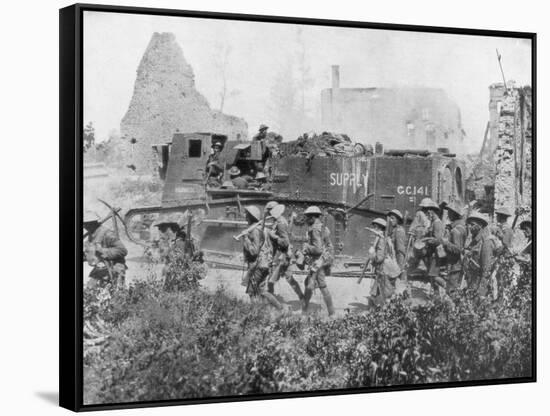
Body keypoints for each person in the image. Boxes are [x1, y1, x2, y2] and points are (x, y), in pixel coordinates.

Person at [240, 205, 283, 310]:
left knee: (252, 291)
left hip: (257, 266)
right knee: (262, 291)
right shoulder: (264, 230)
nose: (245, 216)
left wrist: (245, 238)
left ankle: (256, 315)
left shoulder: (254, 231)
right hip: (266, 265)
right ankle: (280, 308)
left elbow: (254, 252)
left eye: (247, 214)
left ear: (251, 217)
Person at [265, 203, 304, 302]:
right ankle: (303, 298)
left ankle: (271, 302)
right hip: (284, 255)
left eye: (269, 210)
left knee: (271, 281)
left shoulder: (280, 223)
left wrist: (274, 236)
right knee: (289, 278)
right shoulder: (280, 220)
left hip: (281, 256)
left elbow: (285, 242)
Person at [301, 205, 335, 316]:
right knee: (310, 284)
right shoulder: (322, 227)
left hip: (318, 261)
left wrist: (306, 247)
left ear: (312, 217)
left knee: (321, 286)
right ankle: (304, 311)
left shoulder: (315, 229)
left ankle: (331, 313)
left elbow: (318, 249)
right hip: (322, 260)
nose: (306, 219)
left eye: (307, 217)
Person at [83, 211, 128, 290]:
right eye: (84, 224)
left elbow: (122, 250)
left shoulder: (107, 234)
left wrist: (102, 250)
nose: (85, 226)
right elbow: (92, 255)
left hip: (115, 265)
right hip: (101, 266)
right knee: (90, 289)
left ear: (94, 223)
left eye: (87, 224)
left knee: (117, 292)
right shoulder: (92, 235)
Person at [419, 198, 446, 296]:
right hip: (433, 253)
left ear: (431, 211)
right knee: (432, 276)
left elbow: (437, 240)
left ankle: (449, 288)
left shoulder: (437, 223)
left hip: (437, 254)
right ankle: (436, 296)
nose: (426, 214)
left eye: (427, 212)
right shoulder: (433, 223)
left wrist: (426, 240)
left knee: (433, 276)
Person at [464, 211, 495, 296]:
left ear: (480, 225)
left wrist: (481, 290)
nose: (470, 227)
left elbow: (486, 269)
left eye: (472, 224)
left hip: (479, 283)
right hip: (471, 280)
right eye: (469, 224)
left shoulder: (485, 242)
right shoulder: (474, 241)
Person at [367, 218, 395, 304]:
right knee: (377, 288)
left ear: (380, 228)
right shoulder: (384, 238)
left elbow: (379, 258)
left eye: (375, 227)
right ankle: (373, 301)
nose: (374, 229)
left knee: (385, 291)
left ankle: (387, 308)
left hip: (383, 269)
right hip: (384, 269)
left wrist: (372, 255)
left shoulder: (381, 240)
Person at [442, 203, 467, 292]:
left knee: (451, 291)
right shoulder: (460, 226)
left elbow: (457, 249)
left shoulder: (456, 230)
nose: (448, 214)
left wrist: (446, 243)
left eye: (449, 211)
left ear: (453, 213)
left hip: (455, 265)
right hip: (456, 265)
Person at [388, 209, 408, 283]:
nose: (390, 220)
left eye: (393, 218)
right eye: (390, 218)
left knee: (399, 282)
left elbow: (400, 250)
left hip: (397, 260)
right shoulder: (394, 230)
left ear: (398, 220)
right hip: (393, 260)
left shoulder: (399, 231)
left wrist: (399, 266)